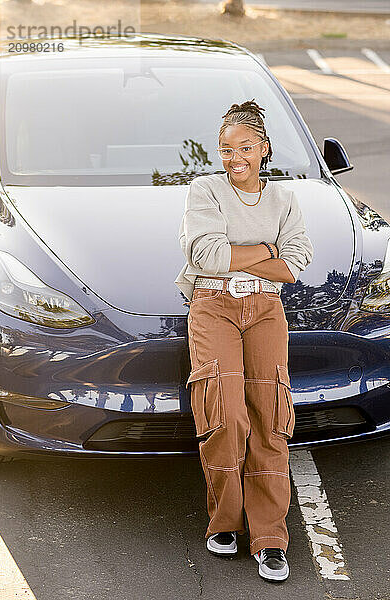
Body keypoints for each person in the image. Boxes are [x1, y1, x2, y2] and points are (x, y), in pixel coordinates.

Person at [174, 99, 314, 582]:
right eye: (225, 149)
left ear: (264, 149)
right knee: (226, 413)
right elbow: (208, 256)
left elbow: (295, 264)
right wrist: (267, 250)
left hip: (265, 310)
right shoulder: (205, 190)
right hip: (212, 305)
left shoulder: (285, 199)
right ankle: (226, 520)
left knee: (271, 416)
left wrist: (244, 257)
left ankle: (271, 537)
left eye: (245, 148)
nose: (234, 158)